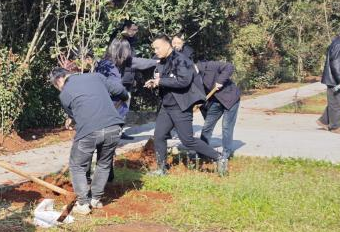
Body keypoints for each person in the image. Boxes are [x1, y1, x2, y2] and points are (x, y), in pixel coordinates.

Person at [144, 34, 228, 176]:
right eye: (154, 49)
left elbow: (184, 81)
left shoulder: (181, 60)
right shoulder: (162, 62)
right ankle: (161, 169)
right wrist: (154, 83)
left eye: (157, 48)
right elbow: (164, 79)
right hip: (166, 105)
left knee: (187, 140)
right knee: (159, 136)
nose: (155, 51)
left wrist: (160, 81)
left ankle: (219, 158)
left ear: (167, 45)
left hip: (180, 106)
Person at [49, 67, 127, 215]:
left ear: (59, 80)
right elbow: (120, 90)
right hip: (114, 127)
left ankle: (83, 203)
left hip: (89, 131)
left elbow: (75, 115)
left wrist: (71, 120)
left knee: (77, 165)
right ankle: (95, 199)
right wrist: (122, 98)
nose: (59, 89)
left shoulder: (64, 94)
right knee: (104, 163)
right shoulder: (96, 76)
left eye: (56, 86)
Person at [197, 60, 242, 158]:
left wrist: (220, 81)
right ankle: (202, 152)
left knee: (226, 127)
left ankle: (226, 153)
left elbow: (229, 66)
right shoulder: (193, 78)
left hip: (230, 99)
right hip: (216, 101)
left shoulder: (209, 66)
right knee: (207, 126)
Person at [94, 38, 134, 120]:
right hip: (113, 110)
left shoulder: (103, 63)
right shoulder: (110, 67)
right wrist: (126, 96)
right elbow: (117, 88)